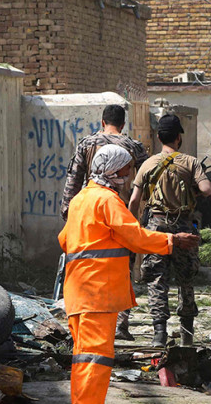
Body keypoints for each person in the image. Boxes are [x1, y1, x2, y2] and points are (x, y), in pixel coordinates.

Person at [59, 144, 198, 404]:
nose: (129, 173)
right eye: (125, 169)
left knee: (83, 357)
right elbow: (134, 236)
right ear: (113, 170)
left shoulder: (80, 199)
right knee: (96, 358)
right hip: (98, 292)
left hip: (77, 290)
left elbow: (64, 239)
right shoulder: (107, 200)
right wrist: (171, 240)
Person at [60, 104, 147, 341]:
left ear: (101, 122)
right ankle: (120, 323)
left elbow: (73, 179)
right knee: (122, 270)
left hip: (88, 214)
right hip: (120, 213)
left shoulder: (86, 144)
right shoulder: (133, 147)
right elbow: (145, 180)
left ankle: (84, 316)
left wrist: (68, 213)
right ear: (123, 124)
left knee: (85, 267)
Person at [128, 114, 211, 346]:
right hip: (184, 225)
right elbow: (207, 190)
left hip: (155, 227)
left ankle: (159, 334)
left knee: (157, 279)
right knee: (186, 279)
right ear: (179, 137)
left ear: (158, 137)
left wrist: (132, 227)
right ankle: (187, 334)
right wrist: (192, 187)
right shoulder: (191, 162)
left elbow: (134, 201)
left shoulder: (148, 164)